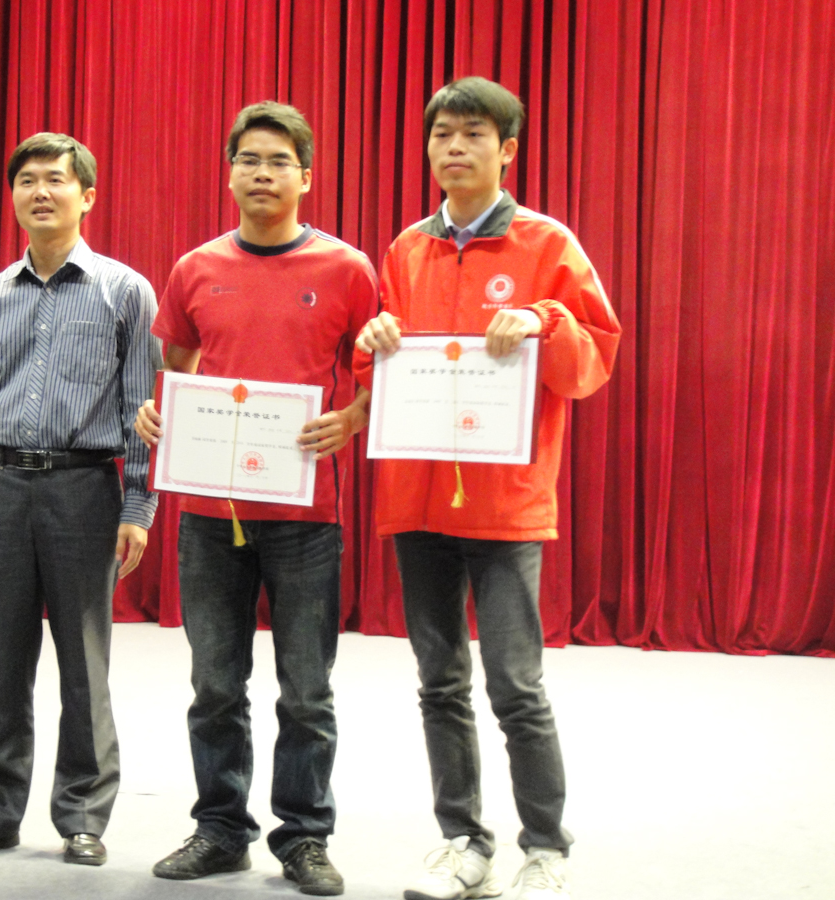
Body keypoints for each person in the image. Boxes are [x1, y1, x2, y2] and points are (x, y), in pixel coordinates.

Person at [354, 77, 621, 900]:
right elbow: (377, 374)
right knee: (439, 684)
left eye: (472, 134)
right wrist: (372, 339)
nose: (454, 148)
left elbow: (592, 364)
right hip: (418, 499)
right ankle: (463, 843)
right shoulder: (406, 248)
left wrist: (545, 320)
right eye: (442, 134)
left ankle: (546, 848)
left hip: (506, 503)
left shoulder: (547, 244)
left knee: (515, 685)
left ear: (507, 151)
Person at [134, 102, 378, 897]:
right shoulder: (195, 268)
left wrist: (352, 418)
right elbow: (176, 367)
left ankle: (304, 836)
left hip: (307, 520)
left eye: (278, 161)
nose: (262, 174)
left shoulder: (348, 269)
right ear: (229, 172)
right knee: (215, 685)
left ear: (306, 177)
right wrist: (156, 413)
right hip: (210, 517)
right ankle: (220, 830)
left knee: (306, 690)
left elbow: (378, 377)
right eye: (249, 160)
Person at [0, 132, 159, 867]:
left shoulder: (125, 292)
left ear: (86, 195)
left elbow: (141, 410)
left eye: (56, 179)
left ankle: (83, 815)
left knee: (83, 664)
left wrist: (137, 506)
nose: (40, 191)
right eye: (27, 179)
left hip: (82, 488)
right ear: (12, 196)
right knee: (2, 663)